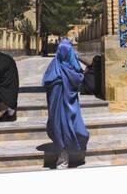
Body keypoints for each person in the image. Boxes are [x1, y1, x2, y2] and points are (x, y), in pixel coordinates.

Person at [43, 39, 89, 170]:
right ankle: (68, 156)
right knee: (74, 129)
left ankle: (65, 157)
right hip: (67, 108)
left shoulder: (53, 67)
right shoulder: (71, 68)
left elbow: (48, 82)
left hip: (58, 110)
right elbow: (78, 78)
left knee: (63, 130)